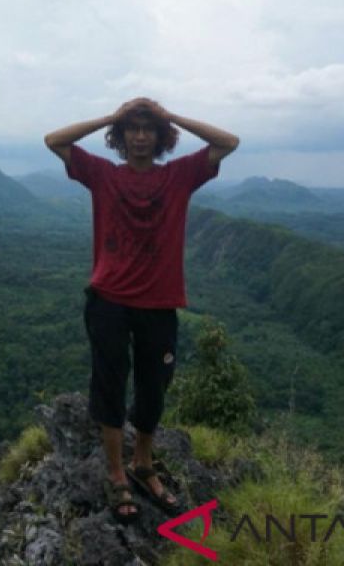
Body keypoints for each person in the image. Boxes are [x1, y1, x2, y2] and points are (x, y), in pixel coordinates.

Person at [44, 97, 239, 523]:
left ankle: (142, 464)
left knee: (154, 387)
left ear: (160, 136)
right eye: (131, 129)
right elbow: (53, 140)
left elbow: (229, 142)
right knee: (110, 385)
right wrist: (110, 116)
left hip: (158, 303)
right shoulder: (104, 175)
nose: (139, 136)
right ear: (120, 136)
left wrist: (170, 115)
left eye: (148, 129)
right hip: (108, 300)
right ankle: (116, 473)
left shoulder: (178, 177)